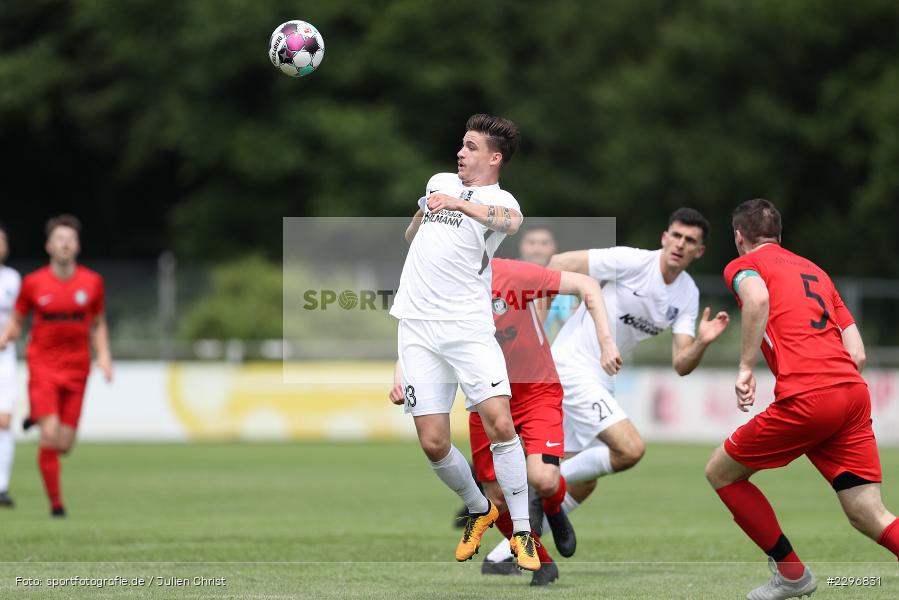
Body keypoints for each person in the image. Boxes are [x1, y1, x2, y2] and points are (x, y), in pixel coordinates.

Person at [486, 208, 729, 567]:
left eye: (690, 240)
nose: (680, 244)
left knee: (586, 480)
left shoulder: (687, 295)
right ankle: (542, 489)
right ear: (664, 238)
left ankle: (503, 555)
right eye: (676, 236)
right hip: (571, 366)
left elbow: (681, 363)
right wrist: (537, 321)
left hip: (601, 377)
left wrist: (702, 343)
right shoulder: (632, 262)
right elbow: (558, 261)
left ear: (699, 251)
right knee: (630, 449)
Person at [705, 199, 899, 600]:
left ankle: (792, 575)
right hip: (852, 394)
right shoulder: (815, 270)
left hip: (810, 395)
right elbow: (858, 353)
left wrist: (745, 367)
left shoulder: (744, 265)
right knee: (869, 514)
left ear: (739, 237)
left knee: (721, 473)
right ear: (780, 235)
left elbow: (756, 300)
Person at [394, 257, 621, 585]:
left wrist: (606, 342)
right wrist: (400, 373)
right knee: (496, 499)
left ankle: (554, 508)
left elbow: (586, 285)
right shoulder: (437, 280)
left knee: (542, 479)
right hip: (484, 398)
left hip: (536, 390)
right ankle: (542, 563)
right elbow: (417, 332)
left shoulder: (515, 274)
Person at [389, 114, 540, 570]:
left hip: (468, 329)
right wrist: (426, 209)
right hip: (417, 327)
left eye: (471, 147)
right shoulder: (439, 180)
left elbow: (511, 223)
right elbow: (412, 235)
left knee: (500, 424)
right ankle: (479, 508)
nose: (461, 152)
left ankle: (522, 532)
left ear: (494, 158)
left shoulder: (501, 200)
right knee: (433, 442)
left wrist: (457, 203)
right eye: (461, 144)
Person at [0, 215, 113, 517]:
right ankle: (57, 505)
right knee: (50, 434)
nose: (65, 243)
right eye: (59, 238)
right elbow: (18, 319)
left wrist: (103, 355)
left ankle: (36, 416)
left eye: (70, 239)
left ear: (77, 246)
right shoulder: (34, 283)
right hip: (44, 367)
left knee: (65, 445)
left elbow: (98, 323)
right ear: (49, 245)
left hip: (78, 370)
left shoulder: (92, 282)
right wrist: (7, 335)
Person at [516, 221, 578, 337]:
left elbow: (572, 329)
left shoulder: (562, 283)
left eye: (544, 243)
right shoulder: (502, 274)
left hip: (535, 351)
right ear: (521, 245)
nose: (537, 249)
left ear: (554, 246)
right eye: (531, 242)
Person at [0, 223, 20, 507]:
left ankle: (1, 485)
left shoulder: (13, 280)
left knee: (4, 420)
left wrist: (6, 337)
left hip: (4, 356)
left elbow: (20, 317)